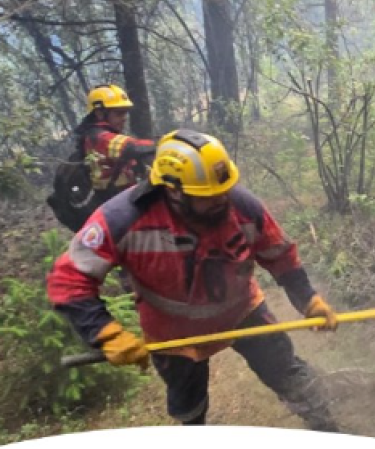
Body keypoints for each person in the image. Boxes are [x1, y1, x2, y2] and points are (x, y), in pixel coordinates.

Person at [47, 129, 341, 430]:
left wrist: (308, 299)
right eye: (208, 196)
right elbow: (69, 279)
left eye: (223, 190)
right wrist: (105, 333)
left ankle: (330, 433)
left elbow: (279, 255)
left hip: (243, 312)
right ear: (173, 190)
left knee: (290, 376)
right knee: (189, 408)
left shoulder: (243, 207)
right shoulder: (123, 219)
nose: (221, 200)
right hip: (173, 336)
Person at [78, 83, 156, 202]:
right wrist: (164, 143)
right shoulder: (98, 137)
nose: (124, 118)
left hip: (124, 196)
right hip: (115, 202)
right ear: (100, 114)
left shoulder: (104, 133)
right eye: (119, 113)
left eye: (125, 112)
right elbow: (130, 147)